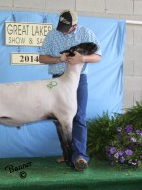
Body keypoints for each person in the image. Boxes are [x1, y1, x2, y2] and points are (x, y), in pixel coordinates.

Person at [39, 9, 101, 171]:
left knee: (79, 116)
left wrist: (82, 58)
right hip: (58, 79)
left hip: (78, 80)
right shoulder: (53, 35)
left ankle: (80, 156)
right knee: (60, 118)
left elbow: (98, 56)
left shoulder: (86, 33)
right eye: (61, 27)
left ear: (75, 25)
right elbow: (41, 57)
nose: (63, 31)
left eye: (66, 28)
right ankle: (68, 154)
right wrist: (60, 58)